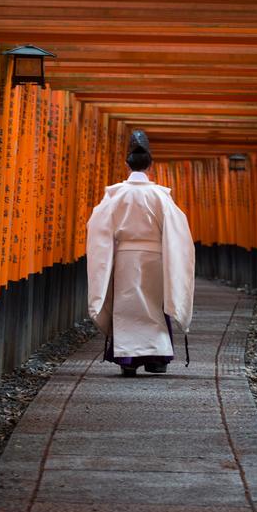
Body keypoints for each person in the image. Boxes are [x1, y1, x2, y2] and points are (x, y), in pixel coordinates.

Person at [86, 130, 195, 376]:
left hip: (125, 257)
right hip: (155, 258)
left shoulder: (115, 195)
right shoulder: (160, 196)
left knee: (126, 305)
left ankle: (129, 359)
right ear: (150, 165)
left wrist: (108, 254)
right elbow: (177, 229)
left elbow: (97, 227)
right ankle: (157, 358)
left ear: (127, 164)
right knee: (155, 305)